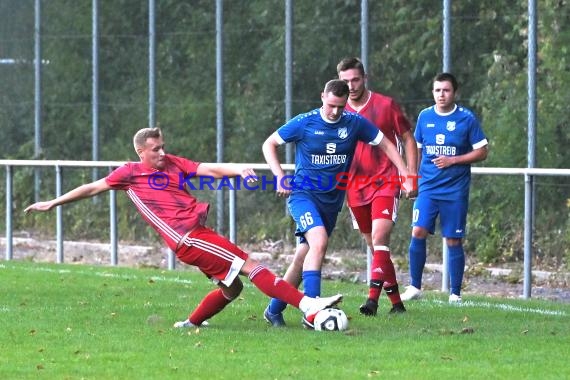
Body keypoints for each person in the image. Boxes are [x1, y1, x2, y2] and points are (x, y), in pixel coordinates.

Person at [24, 127, 343, 328]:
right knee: (251, 265)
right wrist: (53, 203)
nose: (162, 152)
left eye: (162, 146)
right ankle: (308, 305)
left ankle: (191, 324)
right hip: (187, 237)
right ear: (141, 152)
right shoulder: (129, 173)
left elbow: (207, 169)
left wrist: (239, 170)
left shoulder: (173, 163)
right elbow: (92, 188)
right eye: (156, 149)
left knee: (233, 287)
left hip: (196, 235)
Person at [262, 79, 414, 327]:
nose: (335, 112)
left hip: (331, 202)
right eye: (331, 105)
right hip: (303, 195)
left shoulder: (353, 123)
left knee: (304, 256)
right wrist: (280, 176)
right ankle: (312, 310)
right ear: (322, 96)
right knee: (319, 242)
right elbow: (269, 143)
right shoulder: (305, 122)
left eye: (340, 107)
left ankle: (273, 310)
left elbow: (386, 144)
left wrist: (406, 174)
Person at [337, 57, 418, 316]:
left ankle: (371, 300)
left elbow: (408, 138)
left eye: (355, 80)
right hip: (354, 186)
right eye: (345, 81)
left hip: (386, 180)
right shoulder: (336, 109)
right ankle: (396, 304)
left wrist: (410, 175)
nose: (351, 85)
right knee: (376, 247)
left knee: (380, 237)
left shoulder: (385, 105)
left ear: (365, 78)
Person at [400, 72, 488, 303]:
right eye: (437, 90)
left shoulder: (466, 118)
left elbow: (482, 151)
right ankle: (414, 286)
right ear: (433, 92)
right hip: (428, 187)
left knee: (453, 240)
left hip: (455, 190)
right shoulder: (425, 116)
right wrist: (413, 178)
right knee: (417, 231)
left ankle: (455, 293)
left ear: (455, 93)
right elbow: (417, 149)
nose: (441, 94)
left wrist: (454, 160)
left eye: (446, 90)